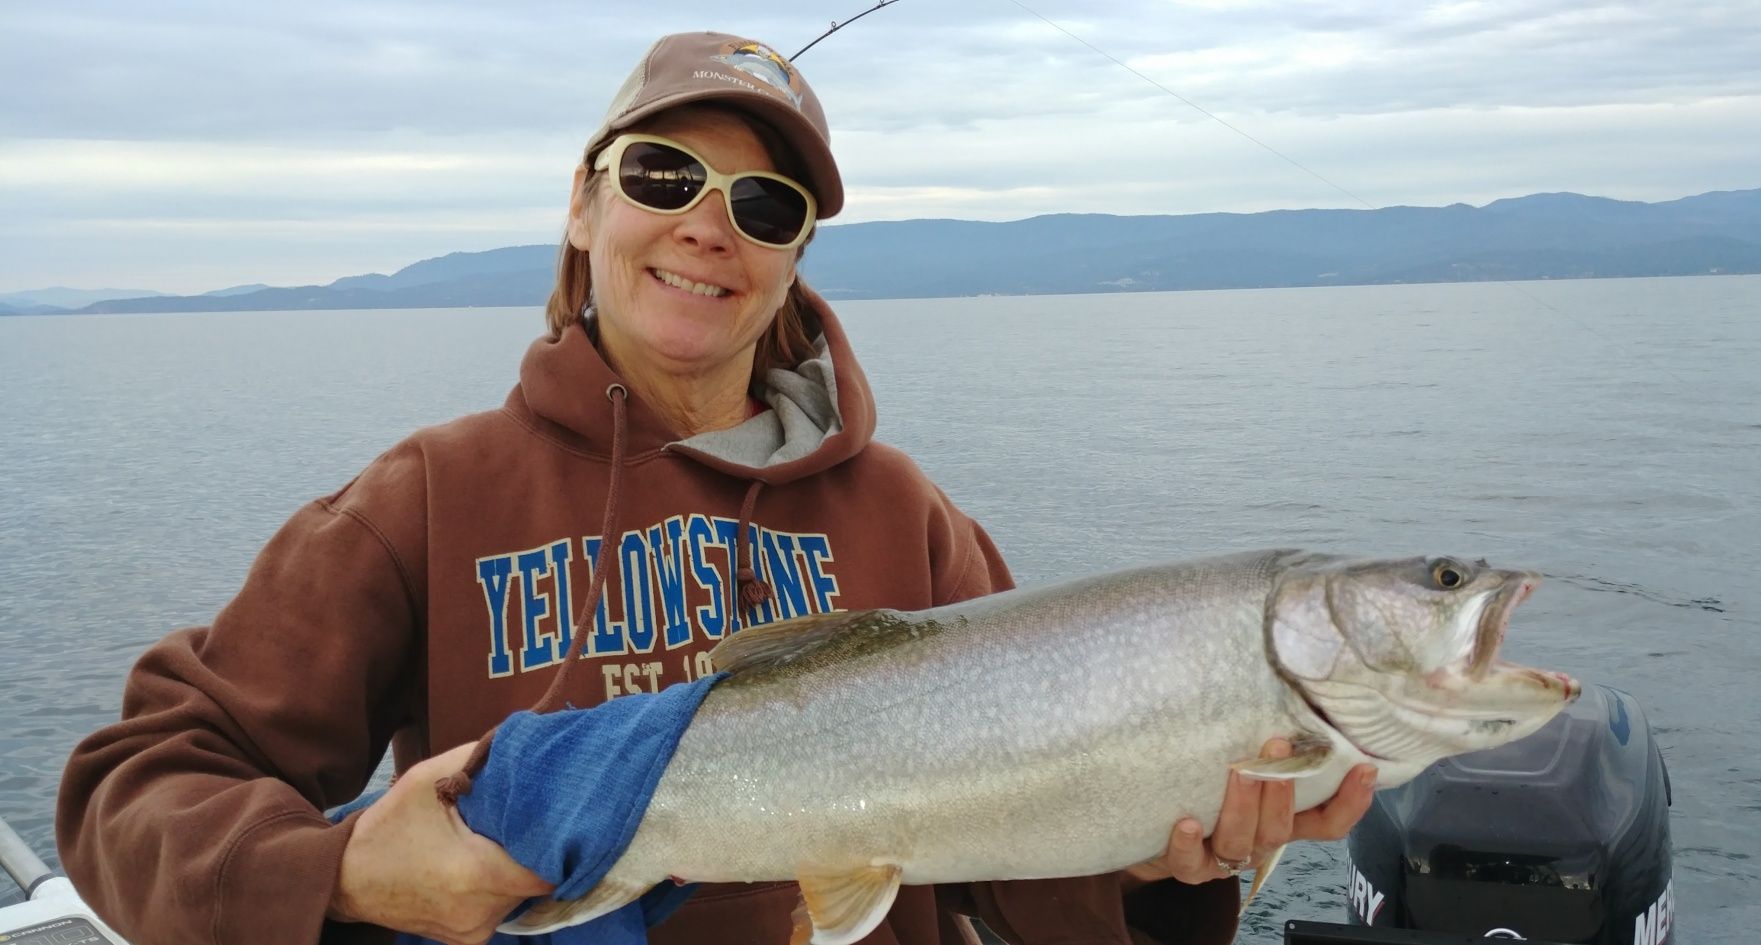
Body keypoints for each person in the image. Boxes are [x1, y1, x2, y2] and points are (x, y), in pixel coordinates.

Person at [55, 29, 1376, 945]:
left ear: (797, 255)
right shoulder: (426, 499)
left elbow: (1026, 884)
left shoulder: (907, 519)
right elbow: (136, 783)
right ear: (583, 204)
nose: (709, 225)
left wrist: (1162, 854)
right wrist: (343, 871)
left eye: (766, 202)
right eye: (665, 175)